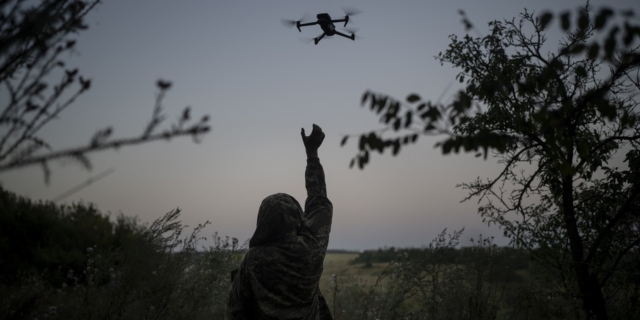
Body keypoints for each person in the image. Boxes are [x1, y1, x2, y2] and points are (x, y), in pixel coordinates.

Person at [225, 124, 334, 320]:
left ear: (263, 221)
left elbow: (235, 311)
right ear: (297, 218)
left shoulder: (253, 260)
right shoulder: (311, 249)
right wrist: (312, 154)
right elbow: (319, 204)